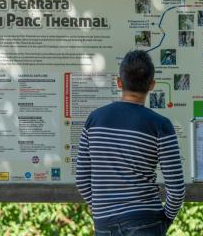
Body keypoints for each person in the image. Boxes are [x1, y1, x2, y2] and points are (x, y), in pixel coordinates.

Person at [75, 50, 185, 235]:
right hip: (145, 220)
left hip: (104, 224)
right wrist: (164, 221)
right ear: (151, 85)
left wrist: (103, 209)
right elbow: (176, 188)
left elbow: (82, 180)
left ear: (119, 82)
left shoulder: (94, 120)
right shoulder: (160, 125)